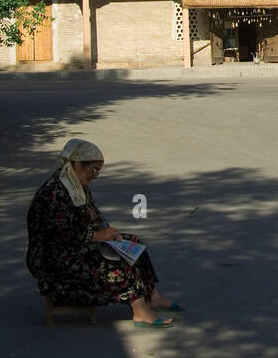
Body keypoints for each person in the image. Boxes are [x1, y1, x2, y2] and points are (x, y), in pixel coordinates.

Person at [26, 139, 180, 328]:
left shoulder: (75, 185)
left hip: (73, 247)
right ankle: (140, 310)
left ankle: (151, 296)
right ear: (76, 164)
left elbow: (92, 215)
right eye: (94, 170)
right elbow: (61, 236)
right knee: (117, 257)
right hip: (55, 261)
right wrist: (97, 236)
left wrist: (110, 232)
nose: (96, 176)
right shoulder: (55, 193)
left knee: (132, 243)